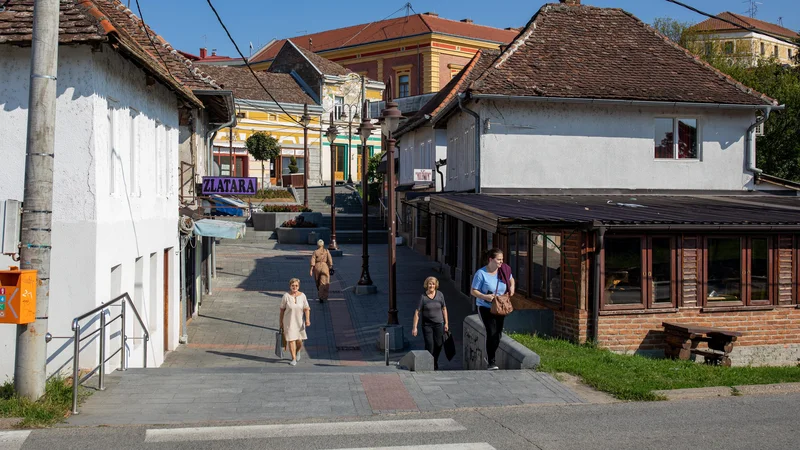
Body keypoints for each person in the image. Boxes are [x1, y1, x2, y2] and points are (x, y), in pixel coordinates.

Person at [471, 248, 514, 370]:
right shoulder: (481, 274)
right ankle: (491, 361)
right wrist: (485, 296)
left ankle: (491, 355)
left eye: (502, 259)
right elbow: (473, 291)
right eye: (499, 260)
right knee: (491, 331)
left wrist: (512, 288)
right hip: (485, 307)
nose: (501, 262)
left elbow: (511, 279)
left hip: (500, 306)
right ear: (491, 260)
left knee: (498, 334)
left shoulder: (504, 270)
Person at [411, 276, 449, 370]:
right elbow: (417, 312)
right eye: (429, 284)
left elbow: (444, 309)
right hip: (427, 325)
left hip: (439, 324)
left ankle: (434, 360)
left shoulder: (440, 295)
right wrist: (414, 327)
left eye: (433, 283)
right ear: (426, 285)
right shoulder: (423, 297)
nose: (431, 285)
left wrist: (446, 323)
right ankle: (429, 363)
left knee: (439, 344)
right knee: (429, 345)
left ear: (436, 285)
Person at [279, 278, 311, 366]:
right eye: (293, 285)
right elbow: (282, 310)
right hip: (288, 322)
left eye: (296, 285)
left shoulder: (303, 296)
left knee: (299, 340)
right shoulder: (286, 296)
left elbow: (307, 309)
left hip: (299, 322)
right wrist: (281, 322)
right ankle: (293, 358)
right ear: (290, 286)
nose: (294, 287)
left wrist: (307, 319)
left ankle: (298, 351)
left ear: (299, 286)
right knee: (291, 340)